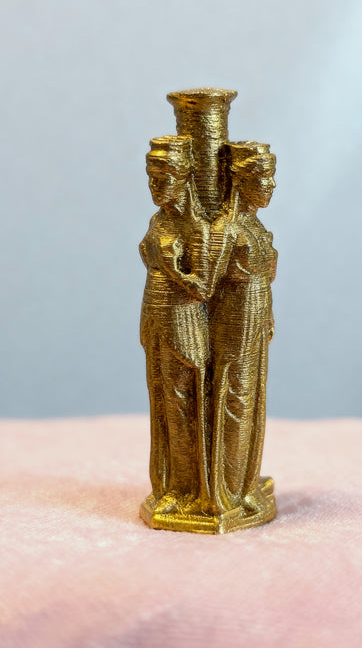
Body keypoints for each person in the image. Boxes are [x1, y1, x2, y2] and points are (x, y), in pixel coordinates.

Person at [139, 136, 212, 517]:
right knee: (164, 403)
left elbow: (204, 287)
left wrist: (173, 271)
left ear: (183, 178)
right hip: (155, 315)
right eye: (151, 178)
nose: (155, 186)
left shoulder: (196, 227)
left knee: (182, 403)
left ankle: (187, 488)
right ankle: (169, 484)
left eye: (162, 178)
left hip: (183, 319)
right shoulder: (159, 220)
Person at [208, 141, 278, 517]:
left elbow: (265, 275)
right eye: (264, 177)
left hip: (257, 315)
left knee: (252, 397)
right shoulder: (226, 228)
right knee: (233, 397)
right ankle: (227, 488)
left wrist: (269, 313)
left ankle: (246, 483)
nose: (271, 185)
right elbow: (206, 287)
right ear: (241, 180)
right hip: (233, 320)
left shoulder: (254, 225)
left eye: (271, 177)